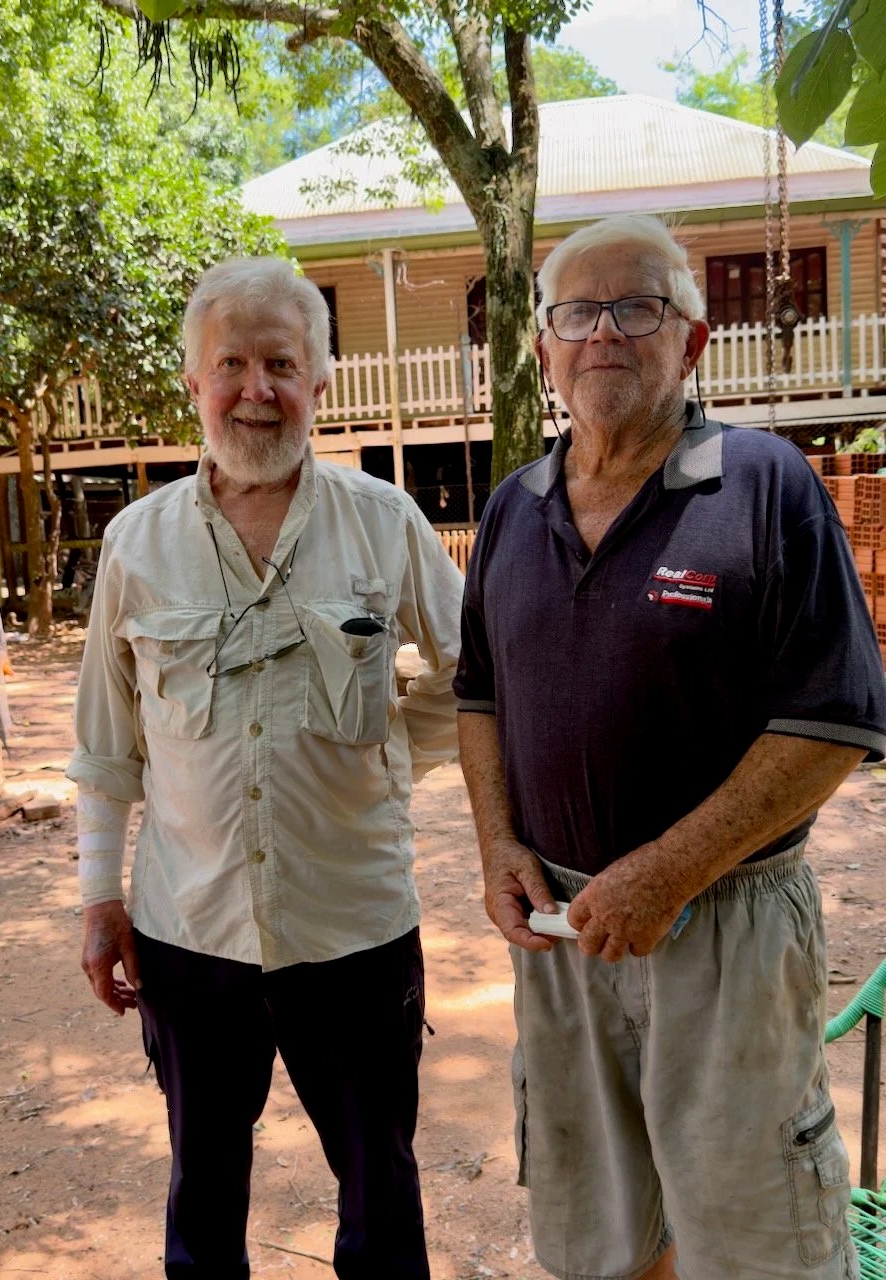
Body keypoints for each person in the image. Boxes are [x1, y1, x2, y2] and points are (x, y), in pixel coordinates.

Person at [453, 213, 886, 1280]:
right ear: (545, 347)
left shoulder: (766, 485)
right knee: (600, 1229)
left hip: (727, 924)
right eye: (577, 313)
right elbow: (478, 696)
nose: (604, 332)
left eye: (637, 307)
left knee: (755, 1234)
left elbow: (834, 721)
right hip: (561, 931)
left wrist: (670, 868)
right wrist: (497, 844)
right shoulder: (513, 508)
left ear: (691, 342)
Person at [67, 257, 464, 1280]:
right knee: (203, 1197)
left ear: (320, 382)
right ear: (192, 383)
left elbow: (473, 677)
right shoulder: (136, 543)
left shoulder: (385, 522)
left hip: (357, 923)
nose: (257, 389)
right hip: (187, 928)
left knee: (382, 1193)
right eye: (231, 363)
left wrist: (387, 762)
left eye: (281, 363)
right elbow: (109, 738)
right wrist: (97, 898)